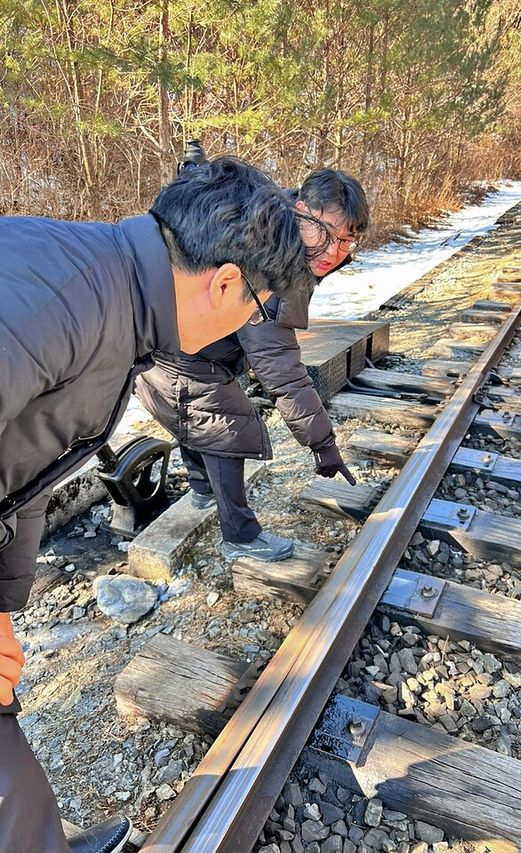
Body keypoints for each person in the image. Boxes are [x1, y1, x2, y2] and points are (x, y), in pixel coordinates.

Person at [0, 155, 323, 853]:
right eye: (259, 310)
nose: (254, 324)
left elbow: (22, 466)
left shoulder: (114, 296)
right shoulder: (65, 302)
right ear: (227, 282)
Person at [135, 166, 369, 562]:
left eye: (346, 240)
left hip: (180, 342)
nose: (334, 251)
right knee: (224, 424)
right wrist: (322, 442)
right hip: (171, 347)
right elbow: (279, 365)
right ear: (301, 210)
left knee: (196, 414)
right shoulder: (272, 260)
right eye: (326, 233)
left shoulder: (281, 228)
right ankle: (240, 537)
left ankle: (204, 489)